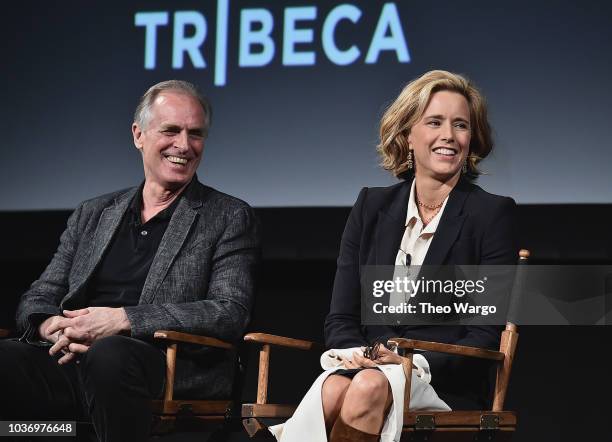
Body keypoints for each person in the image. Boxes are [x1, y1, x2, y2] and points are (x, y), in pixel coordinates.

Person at [0, 80, 259, 441]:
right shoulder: (93, 213)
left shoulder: (227, 215)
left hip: (160, 364)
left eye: (195, 134)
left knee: (110, 355)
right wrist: (53, 326)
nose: (183, 145)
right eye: (171, 130)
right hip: (71, 355)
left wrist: (122, 320)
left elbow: (229, 311)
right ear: (139, 135)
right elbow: (39, 296)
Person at [322, 70, 517, 441]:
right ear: (407, 135)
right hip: (368, 370)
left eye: (460, 125)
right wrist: (360, 355)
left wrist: (411, 366)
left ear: (471, 139)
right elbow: (341, 317)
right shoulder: (371, 206)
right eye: (434, 122)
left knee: (365, 387)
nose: (448, 135)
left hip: (442, 382)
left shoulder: (491, 214)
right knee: (338, 388)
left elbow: (484, 334)